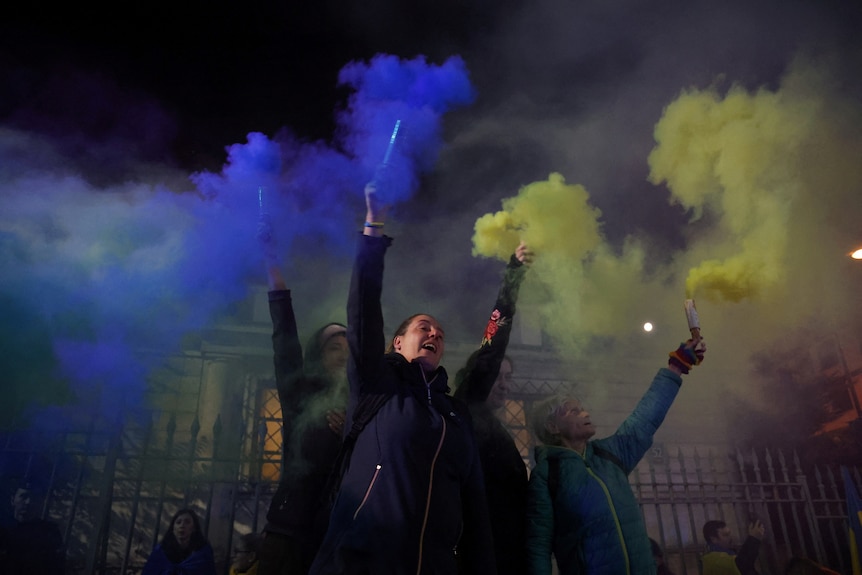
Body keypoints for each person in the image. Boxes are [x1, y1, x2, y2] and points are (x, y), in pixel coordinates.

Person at [308, 183, 497, 575]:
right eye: (424, 327)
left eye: (440, 334)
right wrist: (373, 227)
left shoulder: (455, 415)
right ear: (397, 342)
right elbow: (362, 311)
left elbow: (476, 512)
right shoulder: (376, 384)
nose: (435, 335)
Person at [525, 334, 707, 575]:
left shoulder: (607, 454)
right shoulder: (546, 475)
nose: (585, 413)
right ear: (553, 427)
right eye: (573, 411)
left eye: (583, 408)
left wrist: (677, 366)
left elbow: (644, 419)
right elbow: (539, 545)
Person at [257, 220, 349, 575]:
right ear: (317, 355)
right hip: (290, 531)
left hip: (338, 534)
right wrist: (271, 263)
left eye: (348, 347)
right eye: (334, 347)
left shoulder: (362, 407)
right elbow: (284, 334)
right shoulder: (299, 393)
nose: (343, 353)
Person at [452, 241, 533, 575]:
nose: (504, 383)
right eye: (497, 375)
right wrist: (513, 277)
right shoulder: (466, 409)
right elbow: (492, 343)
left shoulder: (495, 429)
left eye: (508, 377)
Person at [0, 479, 65, 574]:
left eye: (33, 498)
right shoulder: (3, 530)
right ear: (12, 500)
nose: (28, 502)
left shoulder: (48, 533)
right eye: (23, 497)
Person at [142, 508, 216, 575]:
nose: (182, 525)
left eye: (187, 522)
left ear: (194, 528)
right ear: (173, 528)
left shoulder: (202, 553)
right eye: (178, 522)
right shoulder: (161, 551)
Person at [701, 519, 765, 575]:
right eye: (726, 535)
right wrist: (753, 539)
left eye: (729, 534)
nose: (730, 537)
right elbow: (741, 567)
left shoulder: (727, 553)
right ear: (713, 539)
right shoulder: (712, 559)